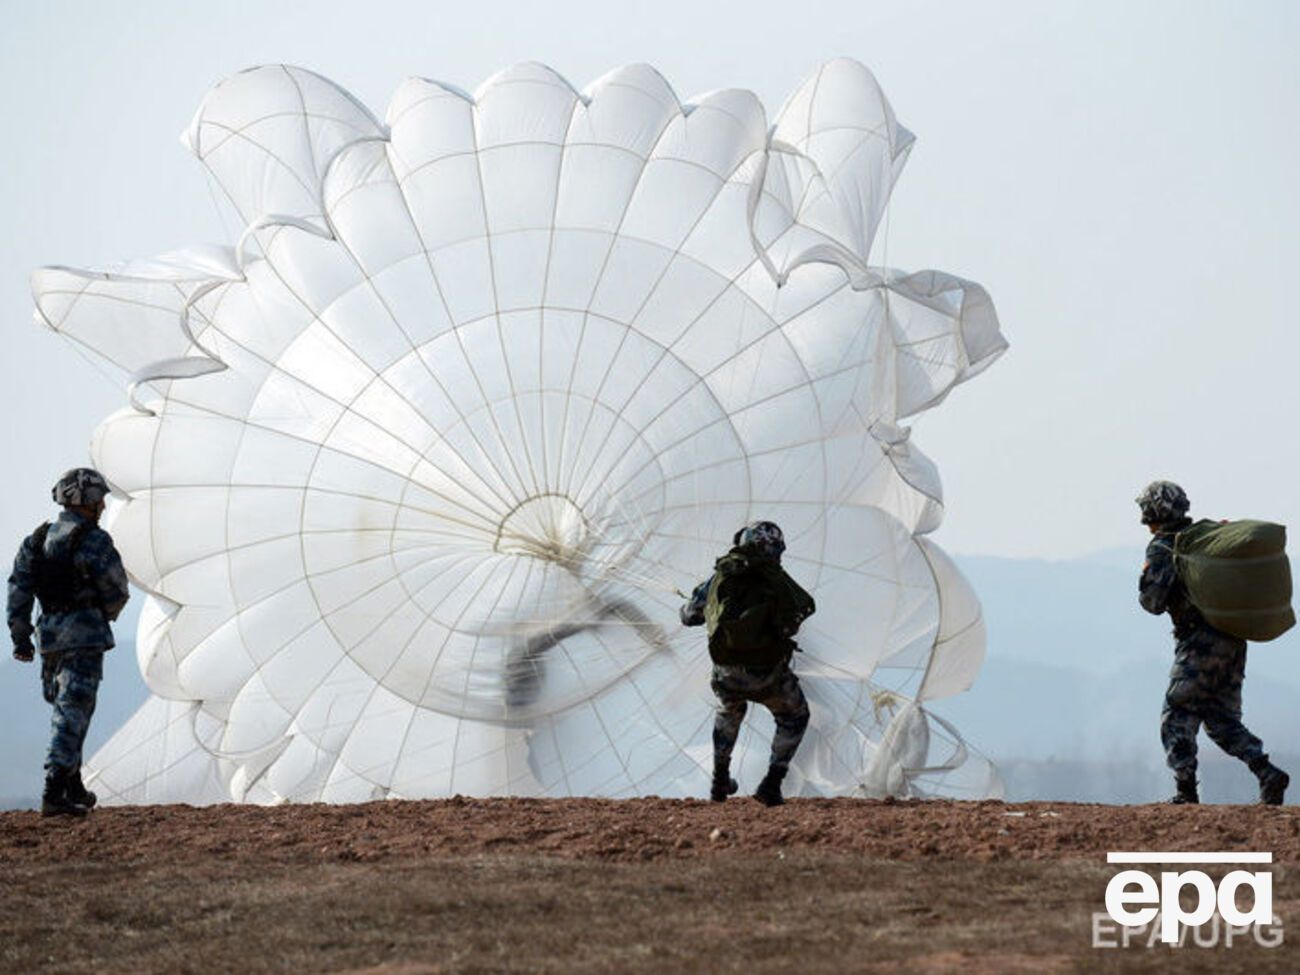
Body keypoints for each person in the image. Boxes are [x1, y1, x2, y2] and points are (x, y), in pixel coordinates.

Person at [1136, 480, 1289, 805]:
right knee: (1221, 720)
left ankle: (1185, 790)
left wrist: (1148, 577)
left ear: (1153, 512)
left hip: (1199, 642)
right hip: (1231, 636)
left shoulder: (1164, 547)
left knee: (1177, 713)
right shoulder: (1202, 537)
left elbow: (1153, 601)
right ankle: (1267, 772)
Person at [8, 468, 130, 817]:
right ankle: (55, 790)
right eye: (99, 500)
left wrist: (20, 636)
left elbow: (19, 589)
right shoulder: (94, 541)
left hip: (49, 639)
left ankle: (73, 783)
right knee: (72, 712)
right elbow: (116, 590)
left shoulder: (36, 540)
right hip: (84, 638)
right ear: (86, 501)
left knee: (63, 707)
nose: (103, 506)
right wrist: (99, 615)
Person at [681, 521, 815, 806]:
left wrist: (691, 605)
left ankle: (719, 780)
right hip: (768, 675)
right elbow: (793, 622)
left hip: (726, 672)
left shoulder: (720, 577)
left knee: (729, 711)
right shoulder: (779, 580)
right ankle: (771, 783)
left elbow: (690, 616)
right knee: (794, 717)